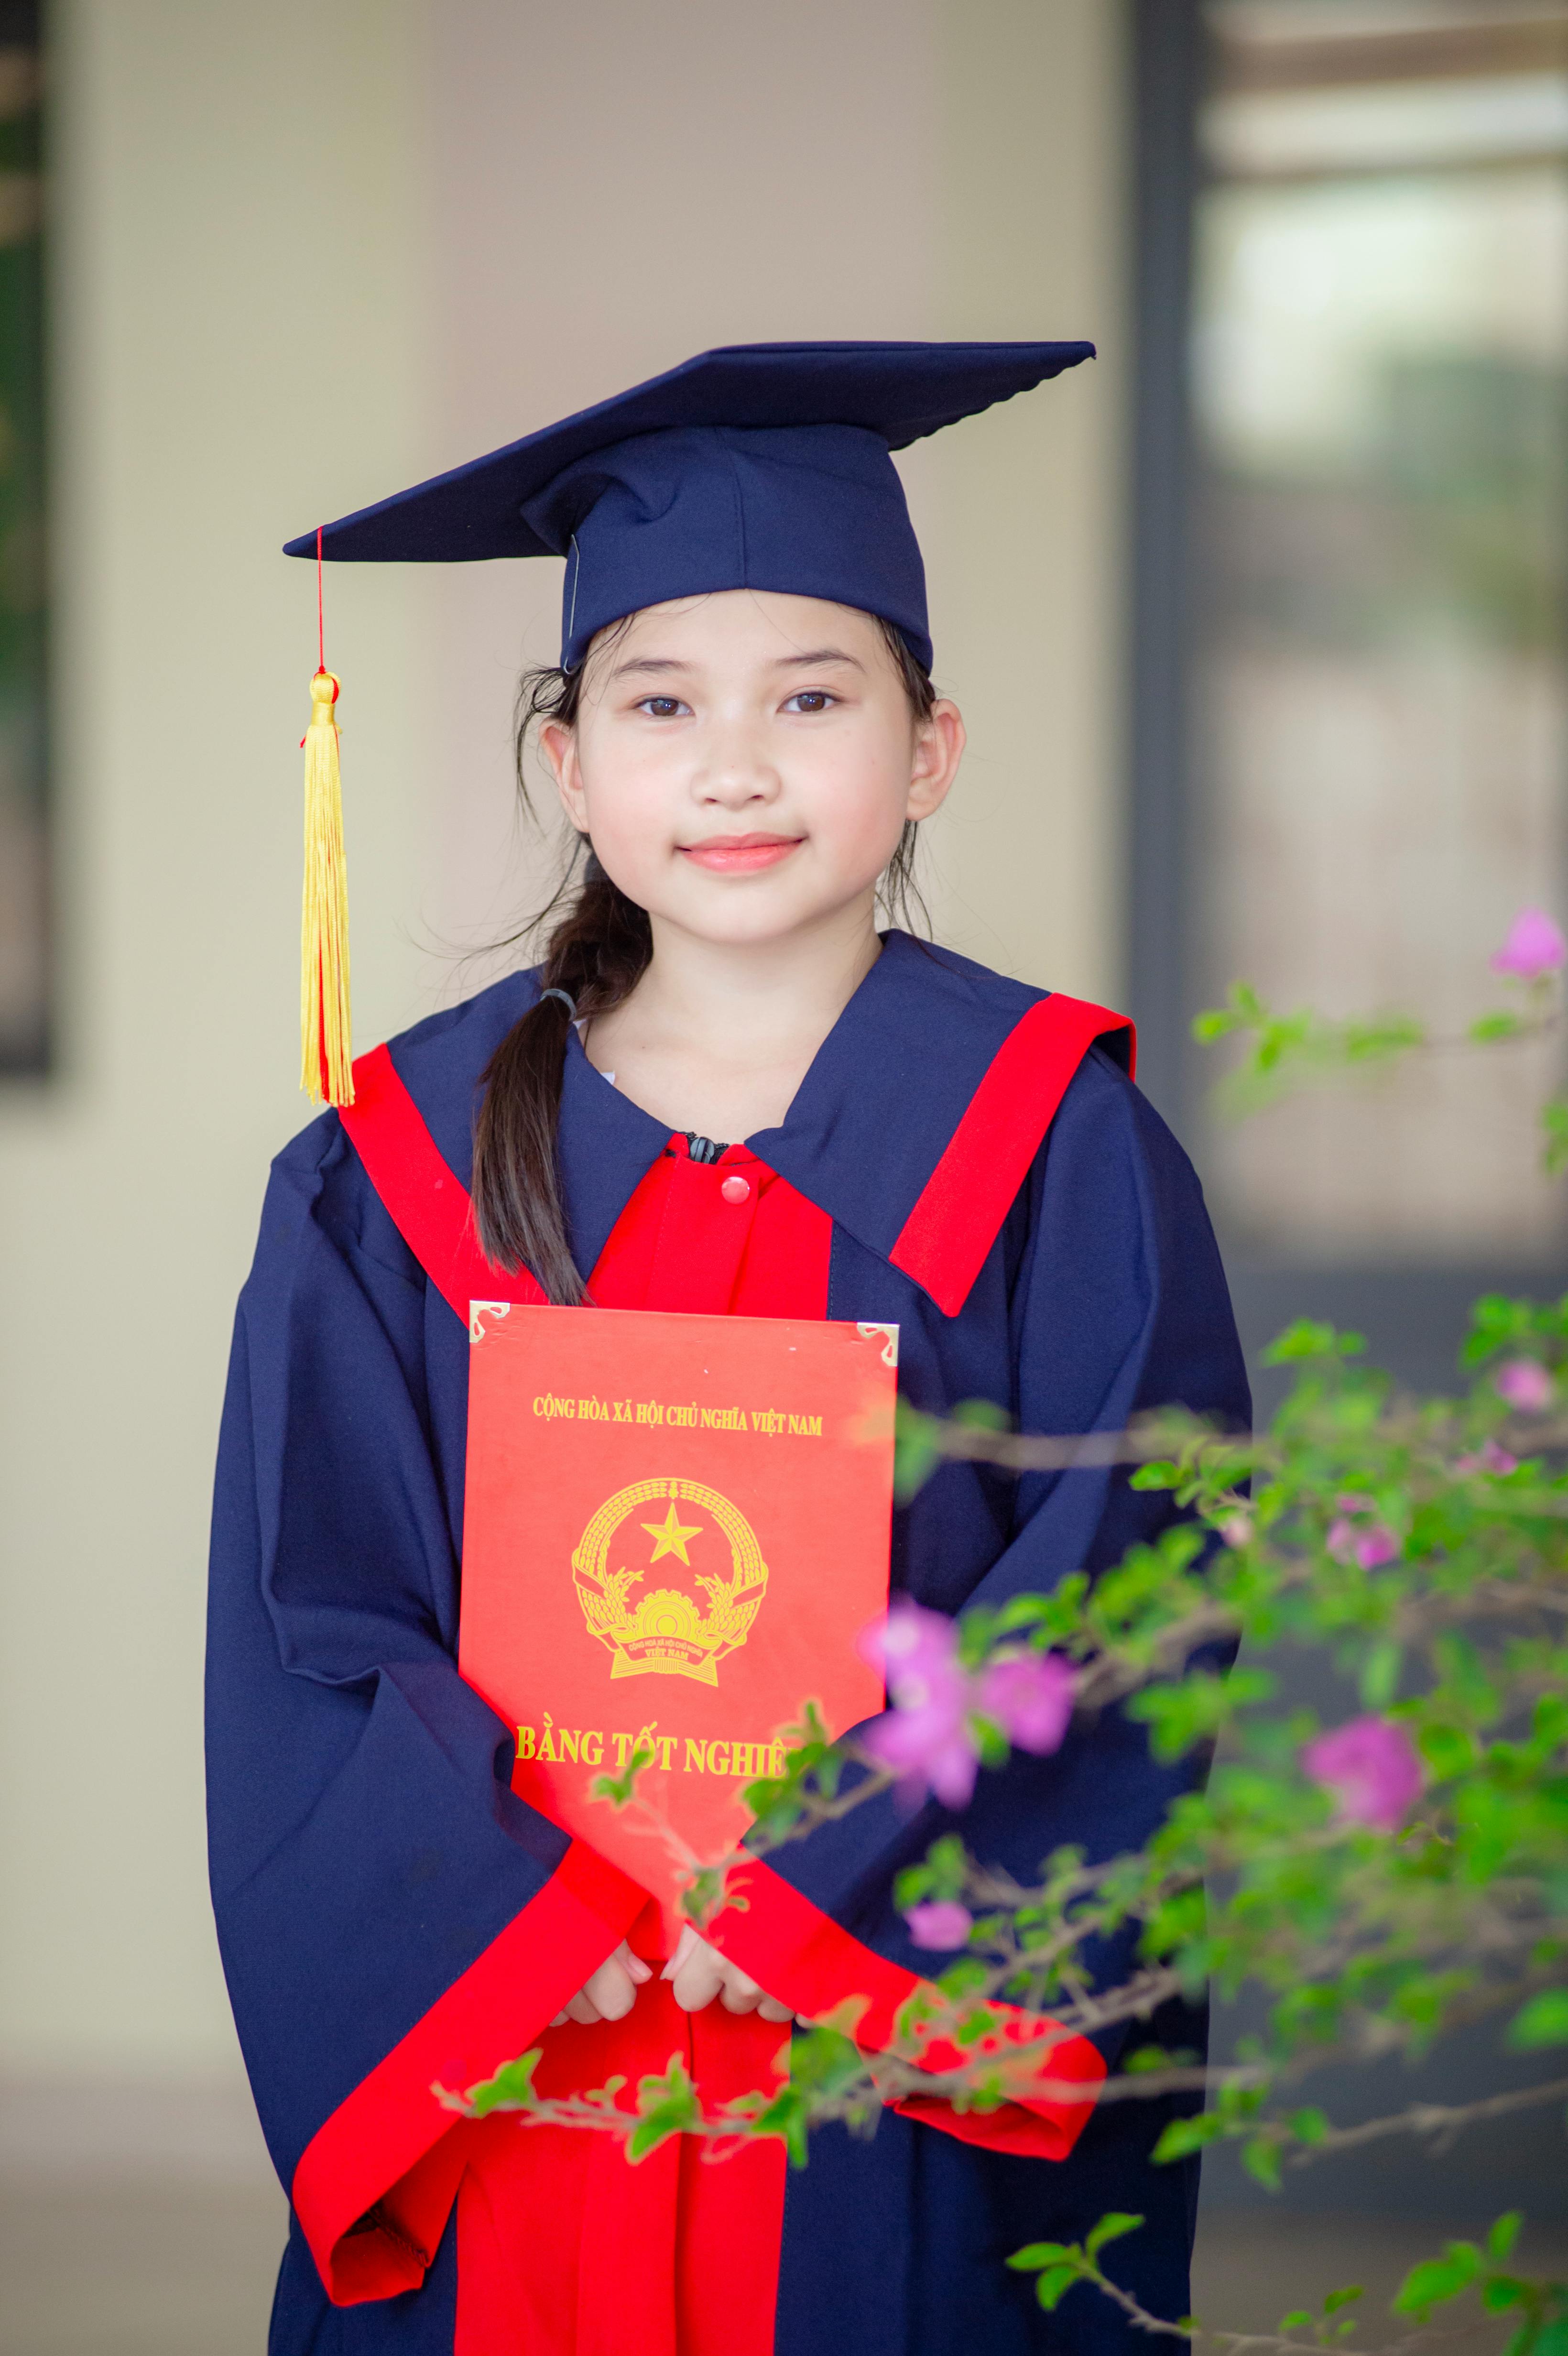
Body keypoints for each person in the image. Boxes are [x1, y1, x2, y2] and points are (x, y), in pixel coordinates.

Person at [207, 342, 1250, 2356]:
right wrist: (522, 1931)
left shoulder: (1065, 1148)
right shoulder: (387, 1171)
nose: (735, 764)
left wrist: (811, 1907)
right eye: (661, 702)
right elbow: (309, 1620)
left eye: (813, 696)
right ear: (566, 763)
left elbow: (1124, 1588)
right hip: (531, 2062)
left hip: (876, 2088)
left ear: (930, 748)